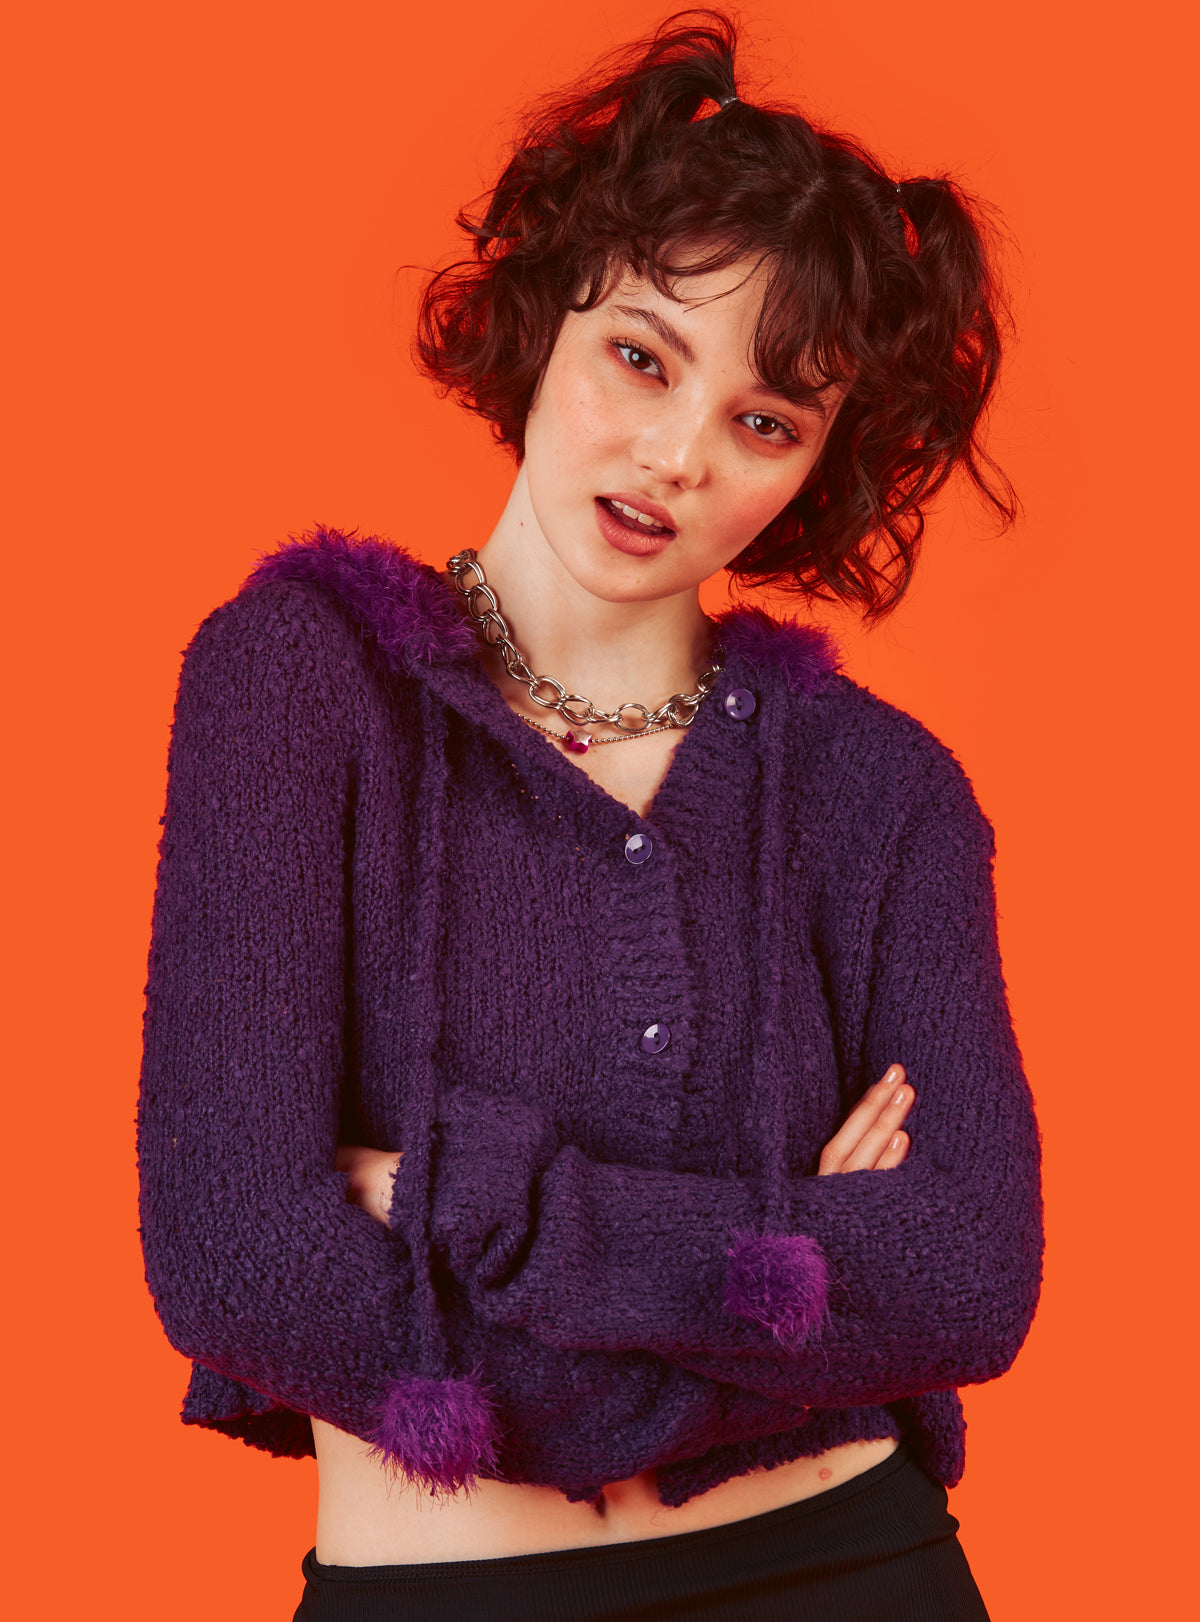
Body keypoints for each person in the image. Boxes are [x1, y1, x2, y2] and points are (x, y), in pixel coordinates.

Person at [135, 10, 1044, 1619]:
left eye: (766, 421)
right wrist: (788, 1278)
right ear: (552, 305)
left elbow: (969, 1274)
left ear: (815, 469)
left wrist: (480, 1210)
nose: (678, 455)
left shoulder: (880, 791)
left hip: (857, 1568)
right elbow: (238, 1258)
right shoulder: (301, 681)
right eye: (644, 355)